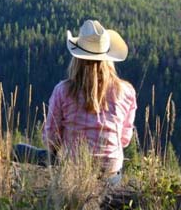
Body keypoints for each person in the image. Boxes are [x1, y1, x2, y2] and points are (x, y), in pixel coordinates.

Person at [14, 20, 137, 185]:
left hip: (72, 166)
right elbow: (124, 140)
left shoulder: (63, 90)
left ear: (77, 58)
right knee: (114, 173)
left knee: (19, 150)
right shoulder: (126, 91)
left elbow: (51, 140)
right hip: (109, 172)